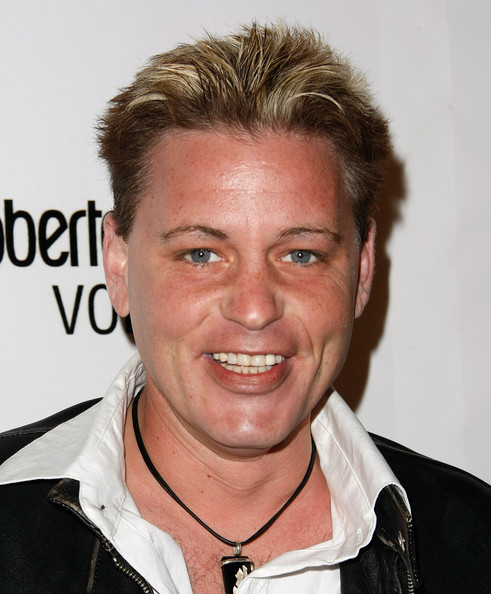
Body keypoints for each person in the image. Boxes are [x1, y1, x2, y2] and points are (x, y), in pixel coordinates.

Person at [0, 22, 489, 594]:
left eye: (301, 254)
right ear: (118, 265)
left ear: (361, 270)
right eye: (201, 254)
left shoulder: (472, 543)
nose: (255, 310)